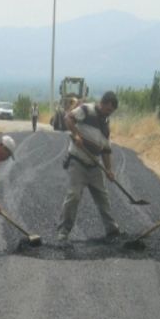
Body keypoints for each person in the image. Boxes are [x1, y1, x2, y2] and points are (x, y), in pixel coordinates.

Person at [56, 91, 121, 241]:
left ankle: (111, 229)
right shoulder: (86, 109)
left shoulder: (106, 124)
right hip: (77, 161)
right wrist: (77, 134)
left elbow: (105, 150)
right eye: (108, 109)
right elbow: (68, 118)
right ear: (102, 103)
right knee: (74, 196)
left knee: (103, 197)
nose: (109, 113)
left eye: (112, 112)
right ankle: (63, 231)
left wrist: (109, 170)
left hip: (94, 166)